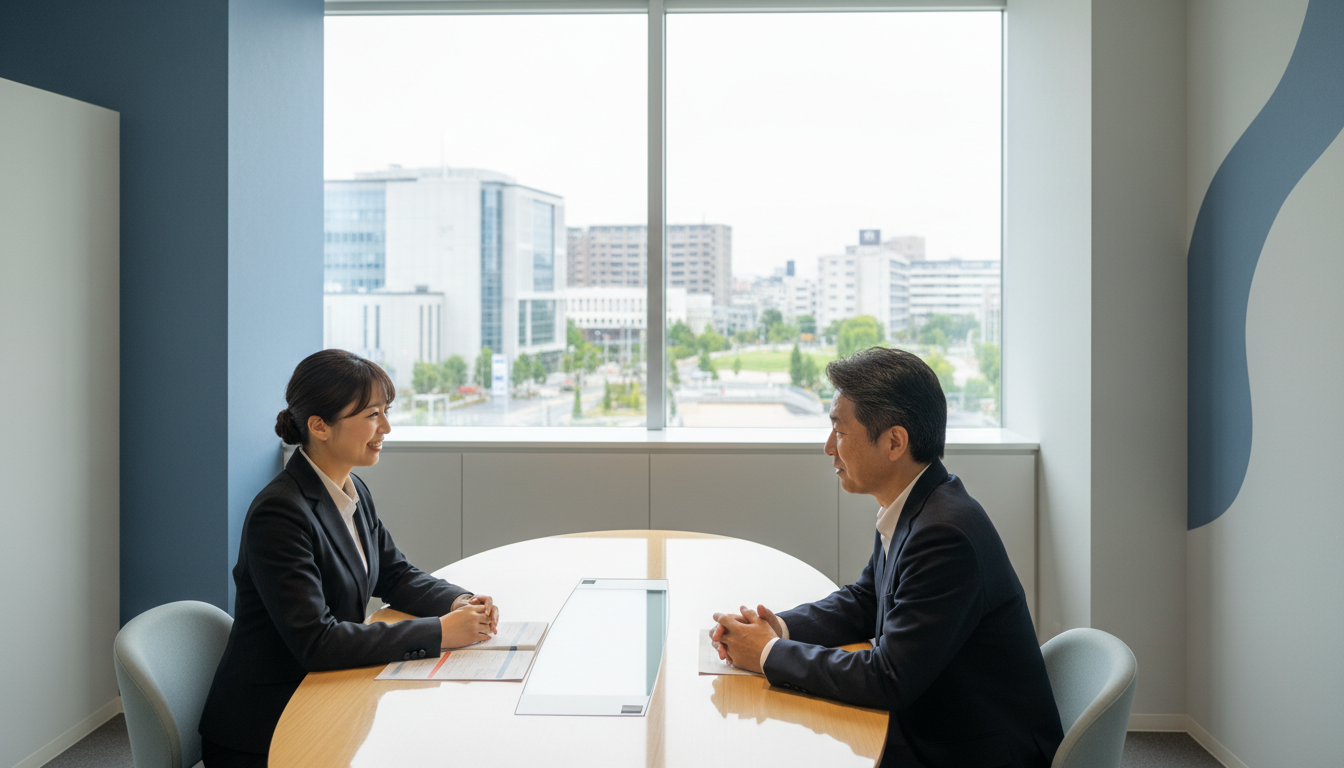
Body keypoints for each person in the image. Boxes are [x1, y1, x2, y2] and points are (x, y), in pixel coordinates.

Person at [711, 347, 1062, 768]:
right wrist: (778, 627)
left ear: (894, 441)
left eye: (839, 432)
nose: (828, 448)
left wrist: (767, 654)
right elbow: (867, 599)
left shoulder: (944, 534)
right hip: (941, 723)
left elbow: (887, 678)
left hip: (973, 752)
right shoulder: (919, 503)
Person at [199, 349, 500, 767]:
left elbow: (394, 574)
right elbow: (317, 643)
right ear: (319, 426)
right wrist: (440, 632)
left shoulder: (350, 488)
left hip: (327, 691)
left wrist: (457, 602)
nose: (386, 428)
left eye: (386, 412)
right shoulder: (280, 513)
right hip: (267, 725)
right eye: (372, 415)